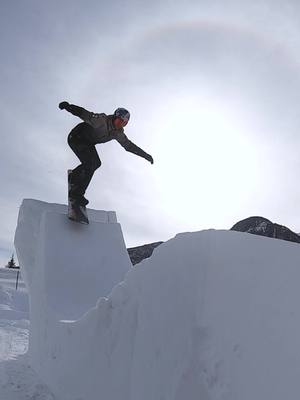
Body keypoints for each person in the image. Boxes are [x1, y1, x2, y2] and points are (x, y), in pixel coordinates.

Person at [59, 101, 154, 206]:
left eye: (124, 123)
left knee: (96, 163)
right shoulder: (102, 120)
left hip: (88, 143)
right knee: (90, 164)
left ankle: (75, 175)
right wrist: (68, 107)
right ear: (115, 117)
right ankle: (76, 194)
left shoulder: (118, 133)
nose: (120, 125)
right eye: (119, 121)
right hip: (76, 137)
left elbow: (129, 146)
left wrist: (146, 156)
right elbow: (83, 113)